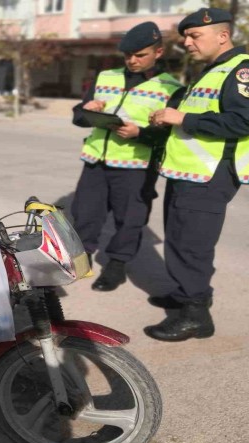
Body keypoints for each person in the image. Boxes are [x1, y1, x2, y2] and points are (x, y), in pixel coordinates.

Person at [145, 8, 249, 341]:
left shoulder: (243, 72)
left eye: (194, 36)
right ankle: (186, 293)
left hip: (210, 175)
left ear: (223, 35)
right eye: (185, 36)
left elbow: (245, 122)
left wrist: (180, 118)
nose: (187, 42)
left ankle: (196, 315)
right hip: (189, 172)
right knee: (179, 239)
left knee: (192, 246)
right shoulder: (211, 71)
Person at [71, 21, 184, 292]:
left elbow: (170, 137)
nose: (132, 61)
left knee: (130, 220)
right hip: (96, 160)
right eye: (127, 55)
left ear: (158, 53)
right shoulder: (105, 77)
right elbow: (78, 117)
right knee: (85, 214)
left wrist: (139, 133)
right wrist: (88, 109)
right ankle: (80, 259)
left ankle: (116, 267)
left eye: (140, 55)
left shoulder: (171, 89)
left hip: (137, 167)